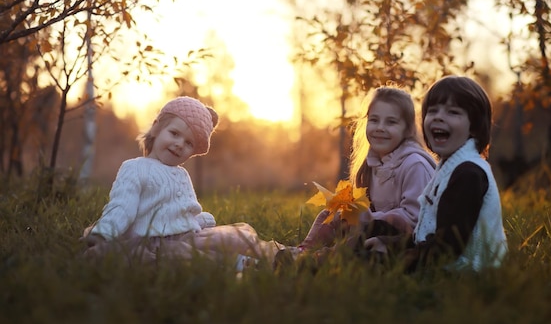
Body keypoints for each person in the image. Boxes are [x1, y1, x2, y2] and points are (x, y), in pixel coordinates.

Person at [81, 96, 282, 266]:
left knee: (236, 236)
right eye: (174, 134)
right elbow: (122, 206)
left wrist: (199, 220)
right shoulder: (135, 168)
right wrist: (104, 232)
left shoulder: (182, 174)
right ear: (156, 128)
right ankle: (247, 265)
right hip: (153, 242)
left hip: (187, 236)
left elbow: (180, 210)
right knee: (195, 258)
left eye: (188, 143)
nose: (179, 144)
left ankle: (281, 254)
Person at [280, 85, 436, 266]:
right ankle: (304, 250)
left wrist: (370, 219)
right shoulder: (373, 163)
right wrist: (353, 212)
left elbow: (416, 218)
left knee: (356, 241)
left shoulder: (414, 164)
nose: (380, 128)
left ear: (407, 129)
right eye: (374, 120)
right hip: (376, 227)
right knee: (330, 215)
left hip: (404, 238)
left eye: (391, 122)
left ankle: (317, 260)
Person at [404, 75, 507, 272]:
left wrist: (399, 258)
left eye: (453, 112)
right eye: (432, 111)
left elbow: (447, 248)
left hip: (467, 271)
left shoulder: (468, 174)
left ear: (474, 127)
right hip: (444, 261)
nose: (439, 116)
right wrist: (391, 243)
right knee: (375, 242)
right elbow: (431, 233)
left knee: (371, 261)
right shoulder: (450, 166)